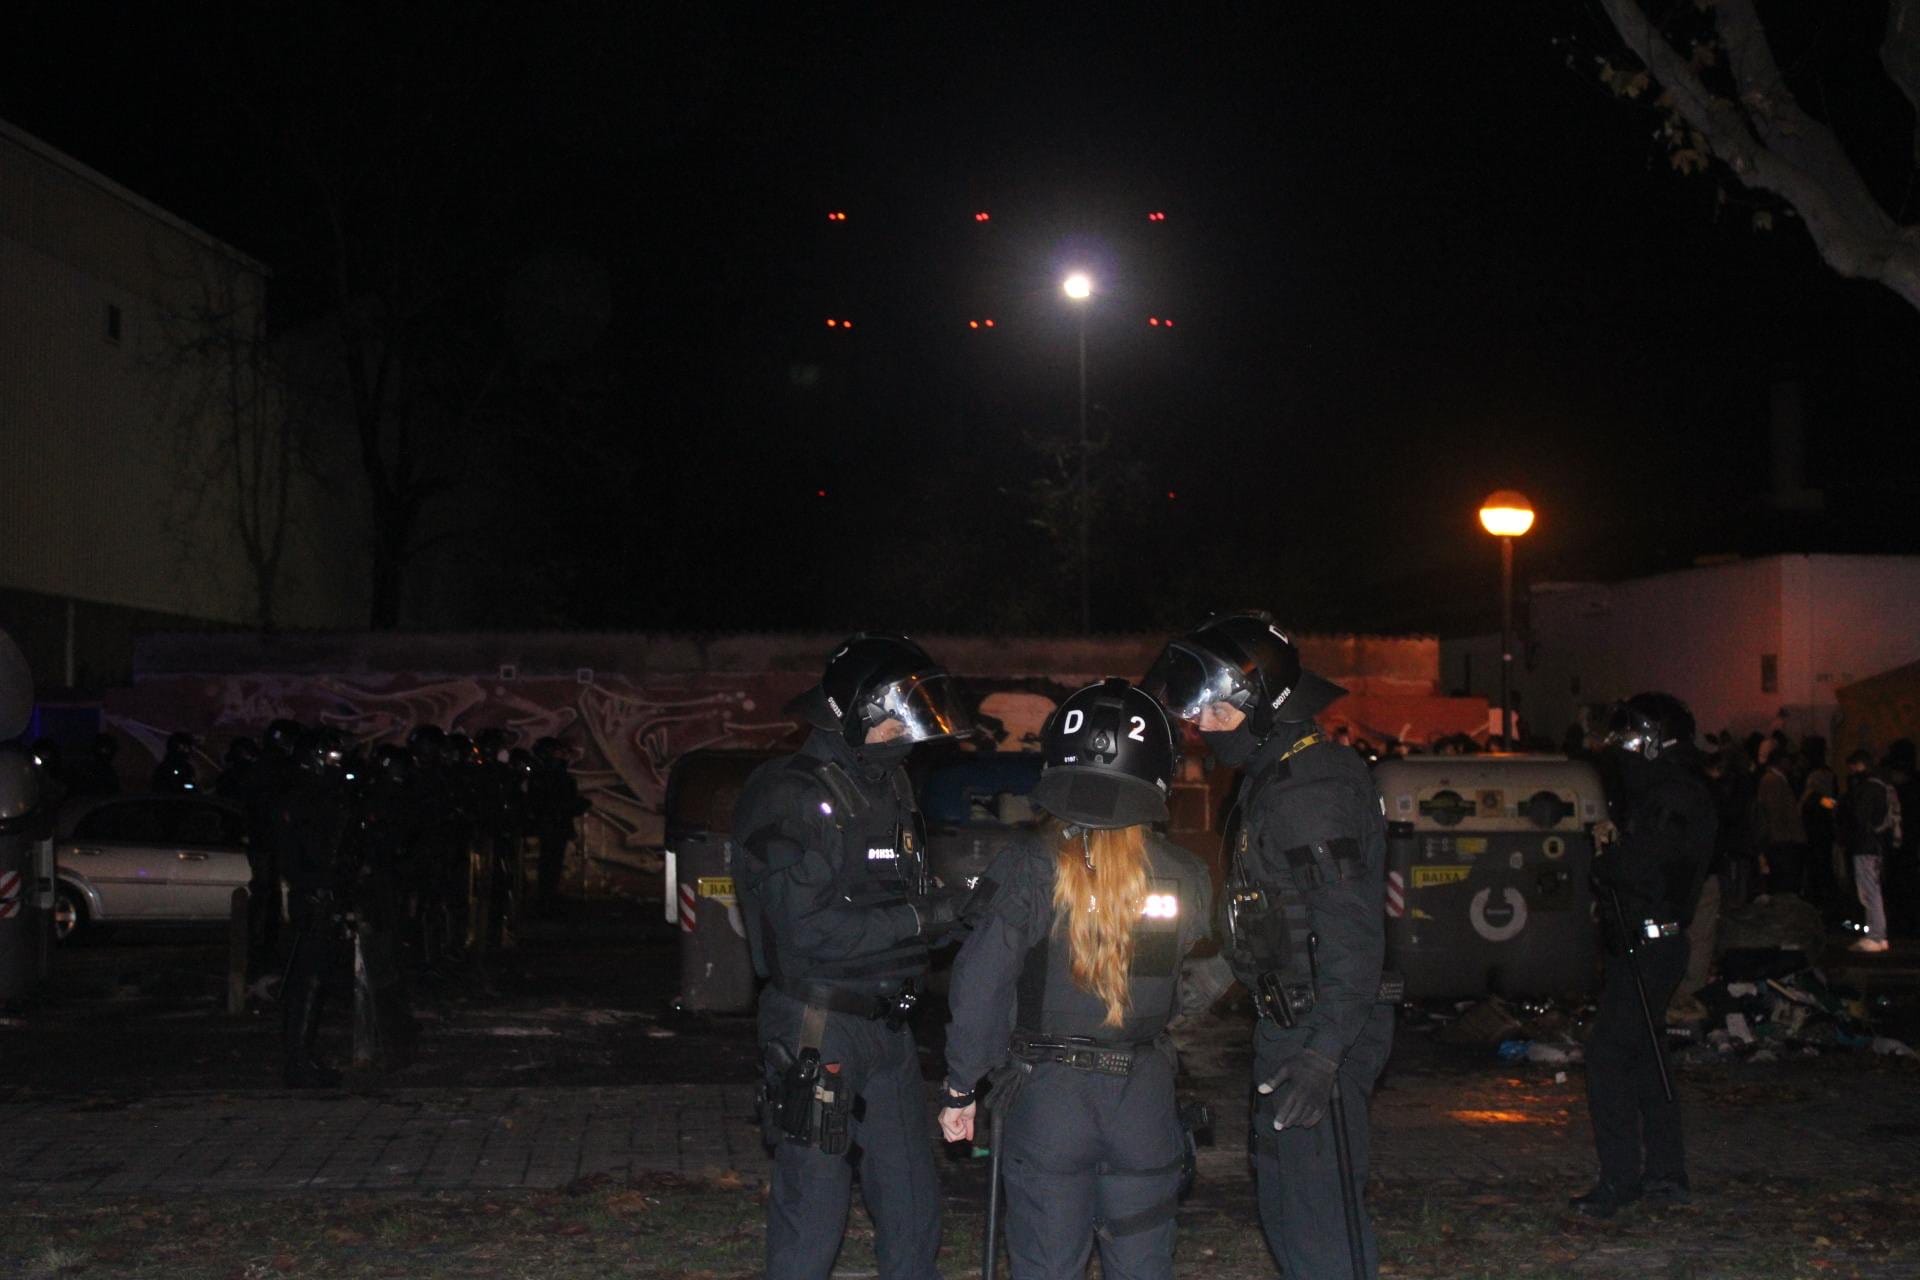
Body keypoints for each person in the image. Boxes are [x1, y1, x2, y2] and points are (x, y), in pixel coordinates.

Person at [1143, 612, 1391, 1278]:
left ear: (1260, 704)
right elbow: (1277, 912)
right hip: (1297, 1018)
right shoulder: (1277, 773)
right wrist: (1208, 981)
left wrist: (1323, 1053)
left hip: (1321, 1024)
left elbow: (1352, 934)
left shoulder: (1310, 790)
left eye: (1217, 712)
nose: (1203, 727)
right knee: (1291, 1209)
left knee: (1319, 1221)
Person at [938, 679, 1212, 1280]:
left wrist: (962, 1086)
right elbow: (1186, 974)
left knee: (1045, 1264)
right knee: (1142, 1265)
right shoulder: (1186, 874)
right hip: (1143, 1099)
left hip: (1049, 1100)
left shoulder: (1029, 867)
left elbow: (981, 982)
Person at [730, 634, 972, 1280]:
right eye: (895, 723)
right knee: (813, 1211)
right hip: (818, 1023)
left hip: (888, 1024)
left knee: (913, 1205)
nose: (905, 739)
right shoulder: (788, 793)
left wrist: (958, 911)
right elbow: (805, 931)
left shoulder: (887, 785)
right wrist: (924, 918)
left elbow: (895, 899)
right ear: (855, 712)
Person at [1574, 693, 1715, 1217]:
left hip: (1652, 942)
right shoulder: (1668, 794)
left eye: (1631, 737)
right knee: (1647, 1058)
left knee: (1609, 1057)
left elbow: (1643, 870)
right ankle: (1664, 1174)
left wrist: (1607, 855)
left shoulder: (1673, 796)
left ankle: (1621, 1179)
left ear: (1656, 739)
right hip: (1647, 941)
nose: (1623, 749)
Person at [271, 728, 354, 1087]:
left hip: (319, 889)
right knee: (307, 978)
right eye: (330, 757)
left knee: (316, 978)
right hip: (311, 893)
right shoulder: (303, 794)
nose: (336, 764)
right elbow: (303, 849)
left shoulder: (318, 792)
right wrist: (316, 887)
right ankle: (298, 1059)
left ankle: (302, 1054)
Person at [1839, 748, 1897, 953]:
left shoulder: (1868, 788)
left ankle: (1876, 934)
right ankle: (1877, 934)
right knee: (1872, 889)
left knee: (1868, 891)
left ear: (1859, 765)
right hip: (1877, 845)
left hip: (1865, 845)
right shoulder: (1882, 786)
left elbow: (1859, 818)